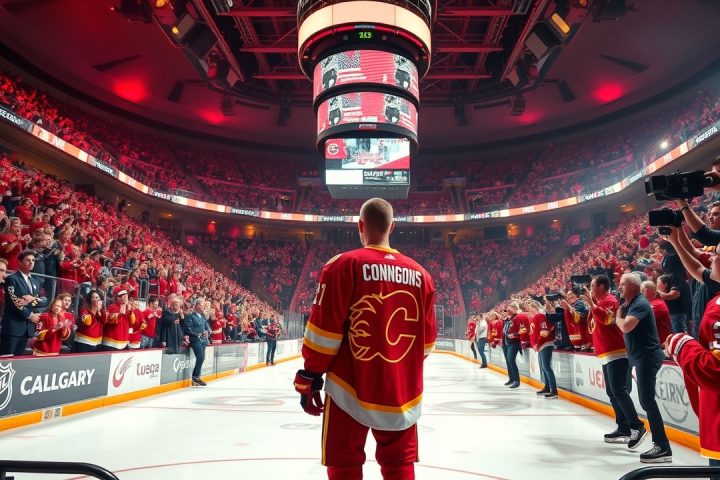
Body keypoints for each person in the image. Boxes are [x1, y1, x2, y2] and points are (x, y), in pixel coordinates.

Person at [293, 198, 436, 480]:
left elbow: (324, 333)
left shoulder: (342, 265)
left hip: (348, 386)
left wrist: (310, 375)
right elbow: (426, 344)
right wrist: (396, 368)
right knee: (399, 464)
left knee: (344, 462)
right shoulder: (422, 275)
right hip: (401, 391)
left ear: (360, 225)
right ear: (392, 227)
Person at [615, 273, 672, 462]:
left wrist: (618, 317)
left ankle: (662, 446)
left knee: (647, 400)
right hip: (640, 358)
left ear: (633, 286)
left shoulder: (640, 303)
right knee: (646, 400)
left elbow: (626, 326)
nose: (619, 287)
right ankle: (661, 444)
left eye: (623, 284)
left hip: (647, 357)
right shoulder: (632, 304)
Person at [581, 274, 642, 445]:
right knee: (612, 392)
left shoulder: (611, 301)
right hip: (607, 353)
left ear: (601, 287)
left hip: (617, 352)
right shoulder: (600, 302)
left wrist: (592, 305)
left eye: (592, 286)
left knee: (619, 391)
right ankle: (623, 426)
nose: (590, 290)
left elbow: (608, 320)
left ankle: (636, 426)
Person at [0, 250, 47, 355]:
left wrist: (32, 299)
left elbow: (45, 300)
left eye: (33, 260)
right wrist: (31, 316)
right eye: (28, 260)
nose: (31, 262)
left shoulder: (35, 281)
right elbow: (15, 301)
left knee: (19, 361)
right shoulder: (12, 279)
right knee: (6, 359)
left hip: (27, 329)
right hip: (13, 327)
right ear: (20, 262)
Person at [527, 300, 557, 398]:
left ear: (534, 307)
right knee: (544, 367)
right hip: (540, 346)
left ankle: (554, 390)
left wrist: (538, 344)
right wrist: (534, 345)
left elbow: (545, 331)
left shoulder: (540, 316)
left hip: (545, 344)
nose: (528, 309)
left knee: (546, 367)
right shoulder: (533, 318)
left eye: (529, 307)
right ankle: (547, 387)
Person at [182, 297, 211, 386]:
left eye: (204, 305)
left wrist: (208, 332)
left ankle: (196, 377)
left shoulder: (202, 317)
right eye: (201, 304)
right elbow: (188, 329)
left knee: (202, 357)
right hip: (195, 339)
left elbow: (207, 327)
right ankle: (195, 377)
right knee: (201, 357)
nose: (203, 306)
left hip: (203, 340)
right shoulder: (190, 316)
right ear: (196, 305)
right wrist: (197, 334)